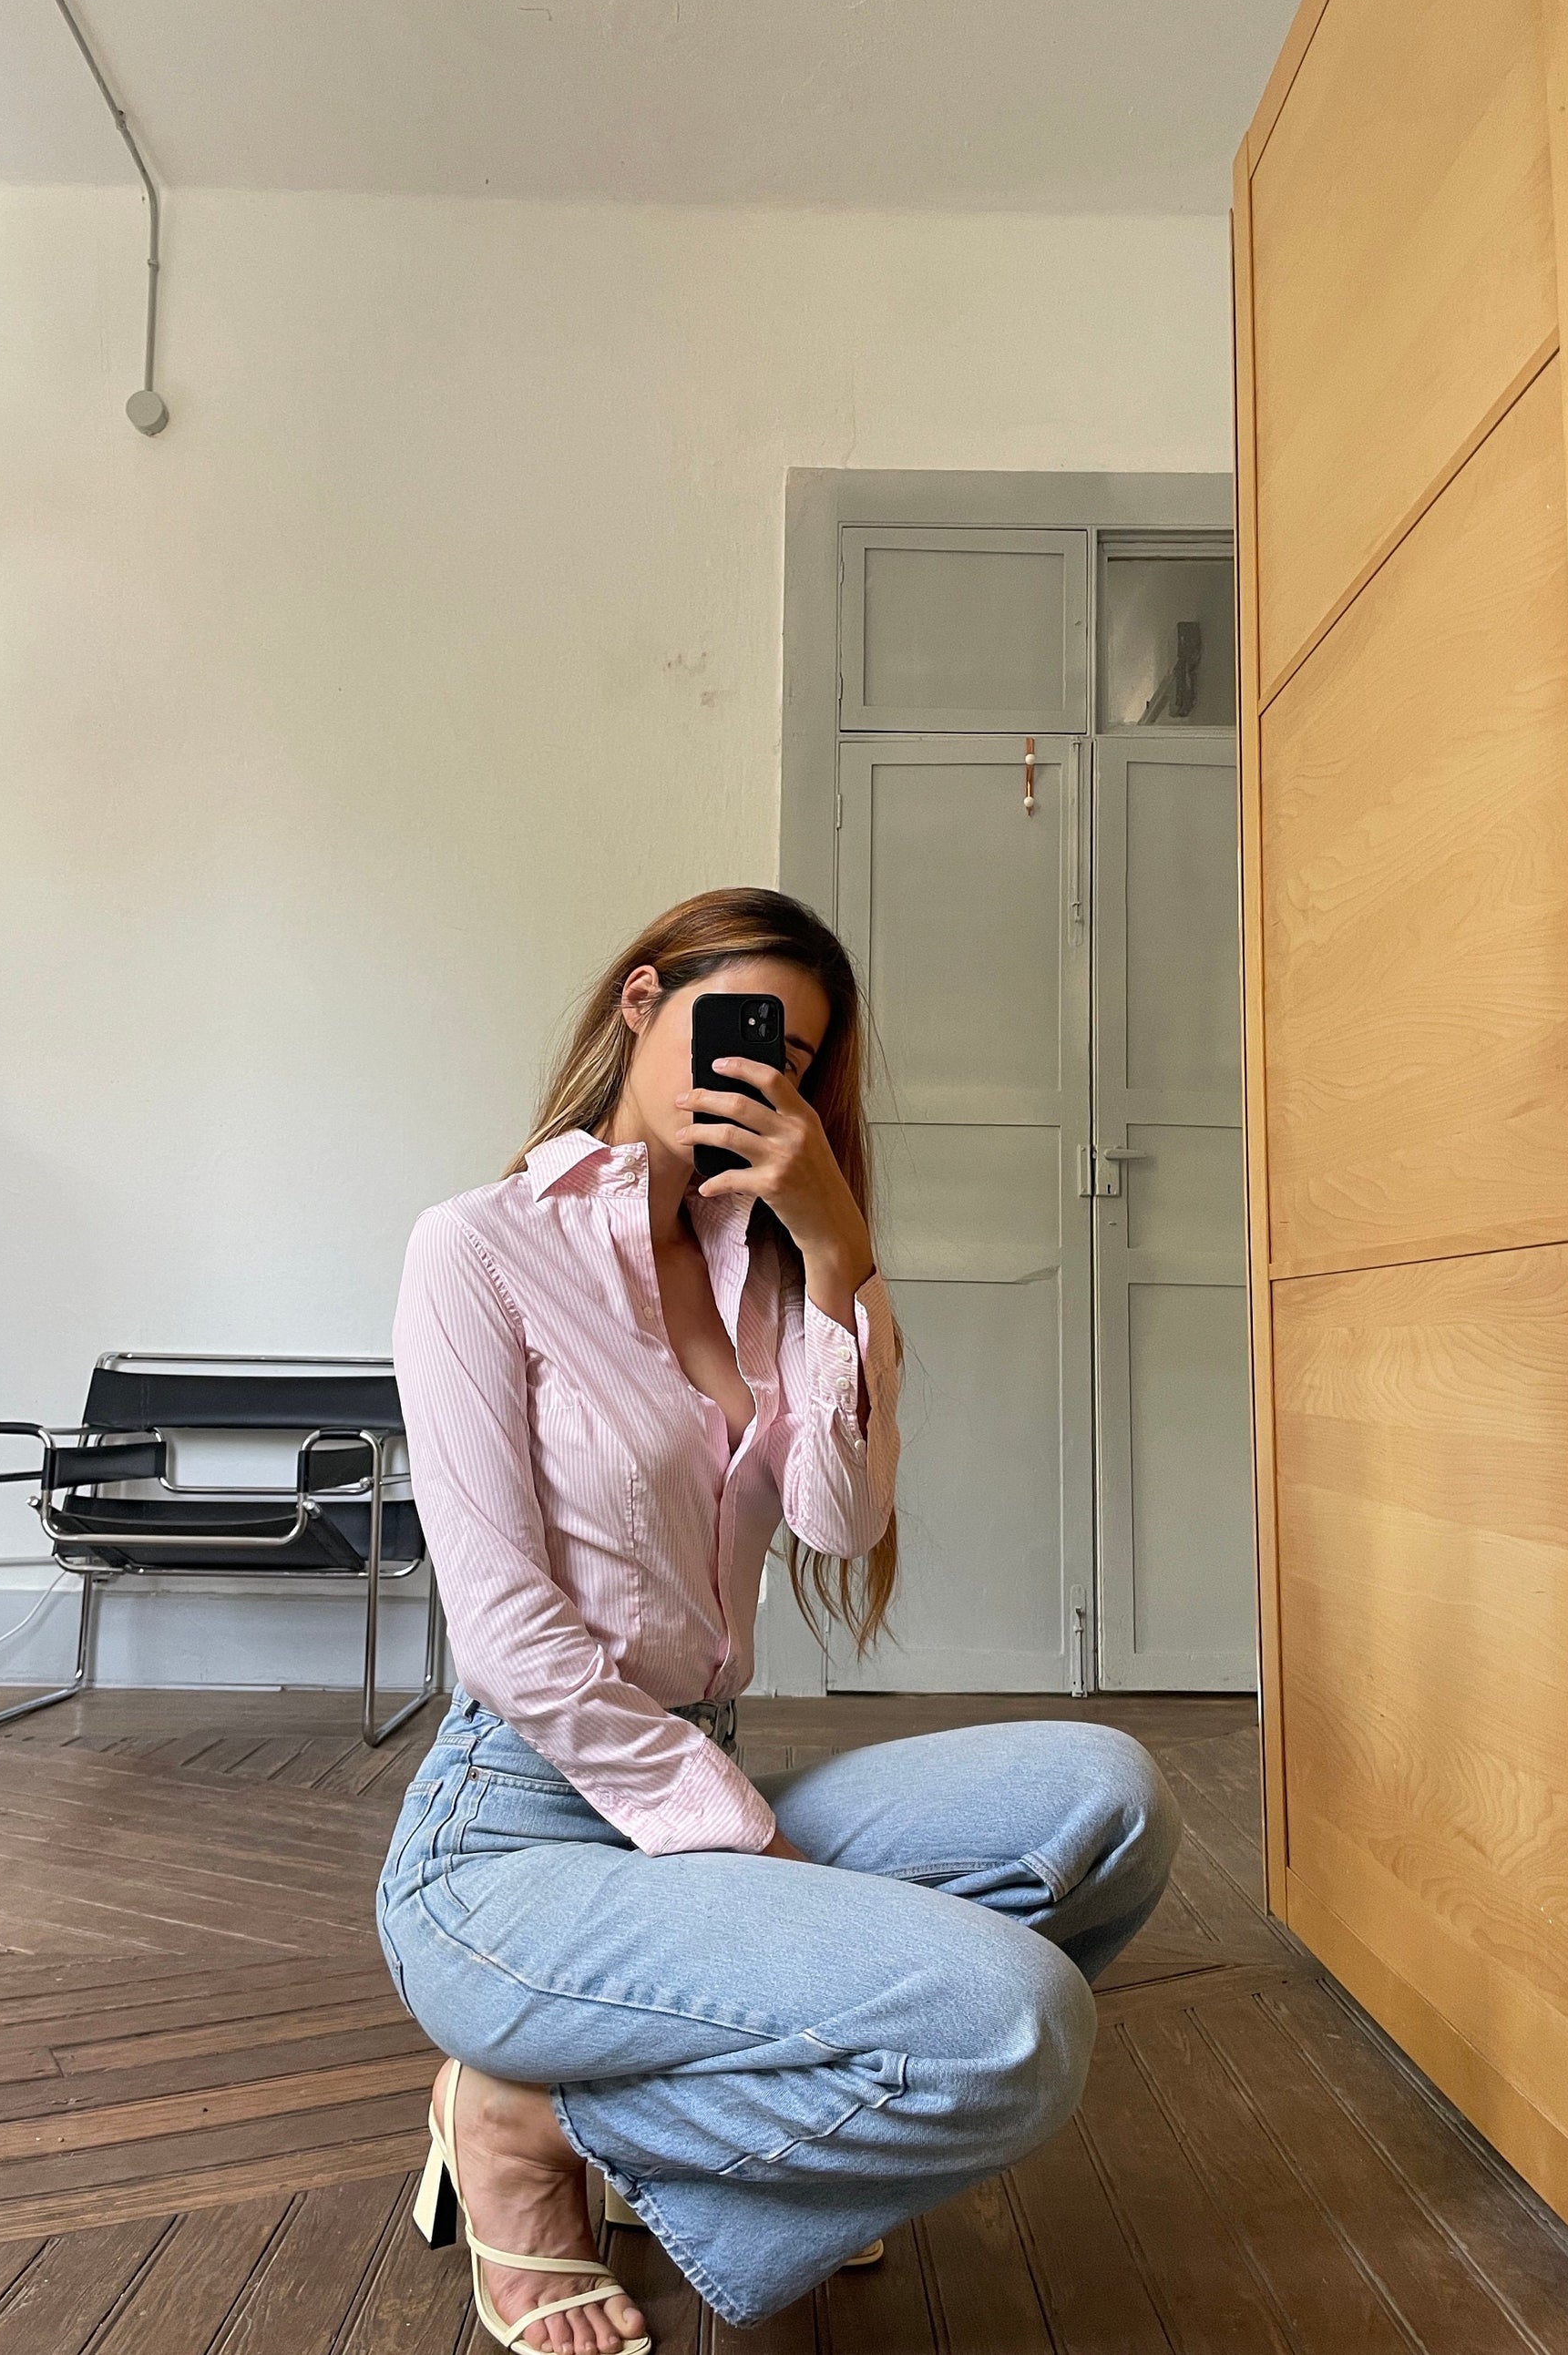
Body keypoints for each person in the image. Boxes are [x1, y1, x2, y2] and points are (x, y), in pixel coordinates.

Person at [375, 885, 1182, 2351]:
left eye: (798, 1059)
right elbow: (502, 1632)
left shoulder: (770, 1267)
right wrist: (741, 1840)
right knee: (1014, 2028)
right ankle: (517, 2135)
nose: (766, 1074)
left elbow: (838, 1520)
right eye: (737, 1028)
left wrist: (838, 1260)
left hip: (708, 1769)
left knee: (1108, 1802)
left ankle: (563, 2111)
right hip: (514, 1839)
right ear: (639, 1005)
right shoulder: (478, 1249)